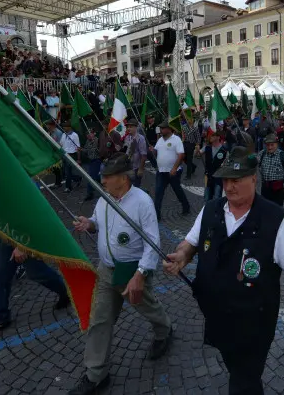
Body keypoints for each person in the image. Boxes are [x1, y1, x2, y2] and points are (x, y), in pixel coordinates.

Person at [163, 147, 284, 395]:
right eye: (225, 180)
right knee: (237, 368)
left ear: (254, 178)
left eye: (236, 180)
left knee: (244, 382)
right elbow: (190, 243)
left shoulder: (277, 220)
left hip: (254, 326)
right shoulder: (210, 209)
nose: (229, 186)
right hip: (218, 318)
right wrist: (181, 256)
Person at [70, 154, 173, 394]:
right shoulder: (104, 198)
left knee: (147, 307)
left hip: (132, 270)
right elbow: (98, 221)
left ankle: (165, 329)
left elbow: (153, 243)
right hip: (106, 269)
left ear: (123, 178)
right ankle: (96, 374)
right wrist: (89, 223)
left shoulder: (142, 202)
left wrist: (140, 274)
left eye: (107, 176)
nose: (102, 179)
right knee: (100, 319)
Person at [0, 240, 70, 337]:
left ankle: (67, 291)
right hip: (9, 236)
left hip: (25, 237)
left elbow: (30, 224)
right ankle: (0, 318)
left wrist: (21, 246)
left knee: (36, 273)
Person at [149, 121, 190, 220]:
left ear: (169, 129)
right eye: (160, 128)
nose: (161, 130)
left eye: (163, 128)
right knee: (158, 192)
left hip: (173, 172)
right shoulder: (160, 140)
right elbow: (156, 153)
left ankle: (186, 207)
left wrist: (174, 168)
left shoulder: (176, 139)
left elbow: (181, 155)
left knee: (177, 190)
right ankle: (157, 215)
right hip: (161, 171)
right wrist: (152, 151)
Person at [257, 133, 284, 206]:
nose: (270, 147)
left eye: (272, 145)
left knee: (277, 208)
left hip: (279, 188)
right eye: (268, 145)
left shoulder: (283, 156)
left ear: (277, 144)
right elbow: (254, 164)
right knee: (265, 207)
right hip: (265, 187)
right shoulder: (262, 154)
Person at [197, 130, 228, 202]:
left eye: (212, 135)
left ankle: (217, 211)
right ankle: (208, 211)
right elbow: (198, 155)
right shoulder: (207, 147)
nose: (210, 137)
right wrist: (197, 150)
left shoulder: (224, 149)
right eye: (210, 135)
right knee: (207, 197)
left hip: (219, 176)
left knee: (217, 196)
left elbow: (227, 162)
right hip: (208, 176)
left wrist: (224, 164)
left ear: (217, 137)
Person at [123, 119, 147, 188]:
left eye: (131, 127)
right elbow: (126, 150)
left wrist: (141, 169)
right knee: (128, 186)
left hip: (136, 167)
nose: (128, 128)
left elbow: (144, 155)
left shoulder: (140, 138)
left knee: (136, 187)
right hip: (128, 166)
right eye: (127, 127)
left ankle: (143, 194)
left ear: (136, 127)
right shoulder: (127, 137)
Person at [59, 122, 82, 193]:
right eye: (63, 127)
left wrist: (78, 158)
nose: (64, 128)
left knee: (67, 172)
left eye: (65, 127)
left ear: (69, 127)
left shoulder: (74, 135)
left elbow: (78, 147)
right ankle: (78, 178)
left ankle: (68, 187)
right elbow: (61, 144)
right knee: (64, 172)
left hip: (71, 155)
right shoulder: (63, 134)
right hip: (64, 154)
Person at [180, 114, 200, 180]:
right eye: (188, 119)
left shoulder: (195, 127)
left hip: (191, 144)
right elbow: (183, 137)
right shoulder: (184, 126)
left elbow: (198, 137)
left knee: (189, 159)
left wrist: (197, 145)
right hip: (185, 143)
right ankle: (193, 166)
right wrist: (181, 143)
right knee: (183, 158)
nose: (189, 120)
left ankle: (188, 175)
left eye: (190, 119)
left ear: (193, 119)